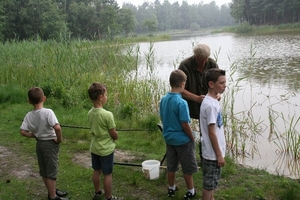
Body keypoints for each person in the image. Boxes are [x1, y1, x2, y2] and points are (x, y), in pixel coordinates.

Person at [20, 87, 69, 200]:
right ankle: (53, 197)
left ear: (29, 101)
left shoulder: (28, 115)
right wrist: (59, 139)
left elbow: (22, 131)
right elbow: (57, 127)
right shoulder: (48, 112)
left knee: (44, 170)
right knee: (51, 170)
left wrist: (34, 135)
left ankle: (52, 191)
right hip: (50, 144)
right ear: (44, 98)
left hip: (39, 144)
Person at [159, 69, 198, 199]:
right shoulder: (182, 102)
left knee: (171, 166)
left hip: (169, 139)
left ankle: (171, 188)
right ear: (182, 84)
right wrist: (192, 137)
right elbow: (185, 124)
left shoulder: (163, 99)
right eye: (185, 84)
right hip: (182, 141)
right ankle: (191, 191)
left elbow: (163, 117)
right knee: (187, 168)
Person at [87, 82, 123, 200]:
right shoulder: (107, 115)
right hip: (106, 150)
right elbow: (113, 133)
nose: (107, 97)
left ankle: (97, 193)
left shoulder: (90, 113)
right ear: (100, 97)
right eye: (106, 94)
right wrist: (116, 137)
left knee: (96, 170)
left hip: (94, 147)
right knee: (107, 174)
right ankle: (109, 197)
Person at [199, 68, 226, 200]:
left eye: (225, 83)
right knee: (208, 186)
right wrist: (219, 155)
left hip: (212, 152)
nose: (224, 85)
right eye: (221, 83)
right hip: (212, 154)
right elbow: (212, 133)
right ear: (211, 84)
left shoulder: (212, 101)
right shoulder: (210, 106)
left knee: (211, 184)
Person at [178, 43, 219, 120]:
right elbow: (179, 89)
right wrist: (196, 98)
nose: (204, 62)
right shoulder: (185, 66)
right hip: (189, 105)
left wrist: (218, 94)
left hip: (209, 104)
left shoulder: (212, 64)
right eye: (201, 60)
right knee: (185, 126)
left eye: (206, 59)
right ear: (195, 56)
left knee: (208, 129)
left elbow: (218, 83)